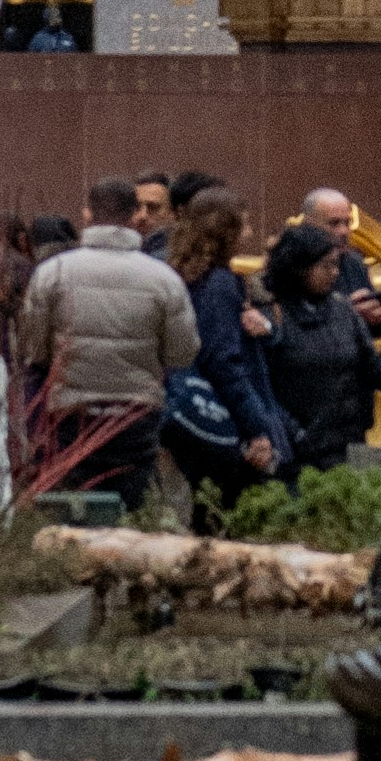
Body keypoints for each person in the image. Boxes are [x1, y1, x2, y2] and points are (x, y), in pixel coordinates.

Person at [28, 175, 191, 505]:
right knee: (132, 508)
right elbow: (182, 352)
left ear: (87, 215)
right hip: (135, 414)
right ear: (133, 218)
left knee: (73, 510)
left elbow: (35, 347)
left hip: (72, 412)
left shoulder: (52, 273)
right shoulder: (164, 279)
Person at [158, 184, 289, 523]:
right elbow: (224, 362)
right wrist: (257, 428)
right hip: (224, 421)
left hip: (193, 415)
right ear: (225, 231)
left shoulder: (181, 277)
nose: (248, 233)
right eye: (243, 224)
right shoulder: (219, 283)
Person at [254, 218, 381, 478]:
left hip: (349, 443)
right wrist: (296, 434)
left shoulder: (343, 309)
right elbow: (262, 386)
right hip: (297, 450)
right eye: (326, 266)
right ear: (300, 267)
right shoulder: (271, 314)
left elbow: (372, 366)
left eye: (336, 265)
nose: (335, 273)